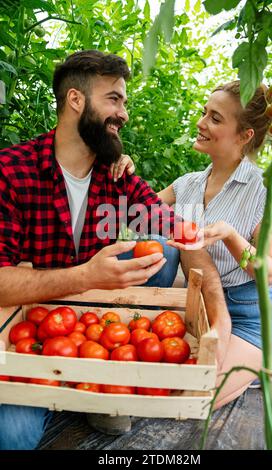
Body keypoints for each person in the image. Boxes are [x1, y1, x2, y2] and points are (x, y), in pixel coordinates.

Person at [0, 50, 183, 449]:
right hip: (35, 335)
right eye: (114, 99)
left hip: (98, 334)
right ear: (76, 101)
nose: (124, 114)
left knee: (164, 252)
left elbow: (172, 228)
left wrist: (215, 298)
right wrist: (87, 276)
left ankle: (101, 374)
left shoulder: (114, 173)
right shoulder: (12, 170)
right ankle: (64, 387)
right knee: (9, 434)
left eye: (125, 102)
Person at [115, 80, 272, 409]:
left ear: (244, 135)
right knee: (163, 386)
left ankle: (261, 360)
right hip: (204, 305)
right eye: (204, 112)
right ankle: (249, 367)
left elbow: (269, 272)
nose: (201, 123)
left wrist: (230, 235)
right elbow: (136, 217)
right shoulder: (187, 186)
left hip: (253, 313)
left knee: (194, 400)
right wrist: (124, 172)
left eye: (216, 118)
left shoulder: (263, 191)